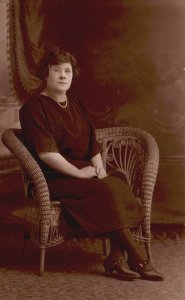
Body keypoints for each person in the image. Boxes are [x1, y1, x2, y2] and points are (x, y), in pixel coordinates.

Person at [19, 47, 164, 281]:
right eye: (56, 70)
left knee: (116, 183)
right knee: (105, 190)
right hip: (53, 178)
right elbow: (46, 155)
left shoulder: (78, 105)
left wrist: (99, 170)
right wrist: (79, 173)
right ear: (45, 74)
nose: (63, 75)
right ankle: (138, 258)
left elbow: (92, 146)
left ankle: (115, 258)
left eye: (67, 71)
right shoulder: (34, 108)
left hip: (82, 173)